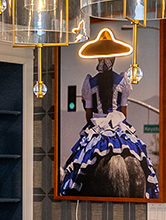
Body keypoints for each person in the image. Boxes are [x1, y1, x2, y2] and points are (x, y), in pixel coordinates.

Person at [59, 56, 159, 199]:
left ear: (98, 60)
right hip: (118, 123)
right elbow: (124, 113)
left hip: (97, 124)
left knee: (78, 159)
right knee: (141, 155)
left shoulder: (90, 83)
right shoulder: (123, 81)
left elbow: (88, 114)